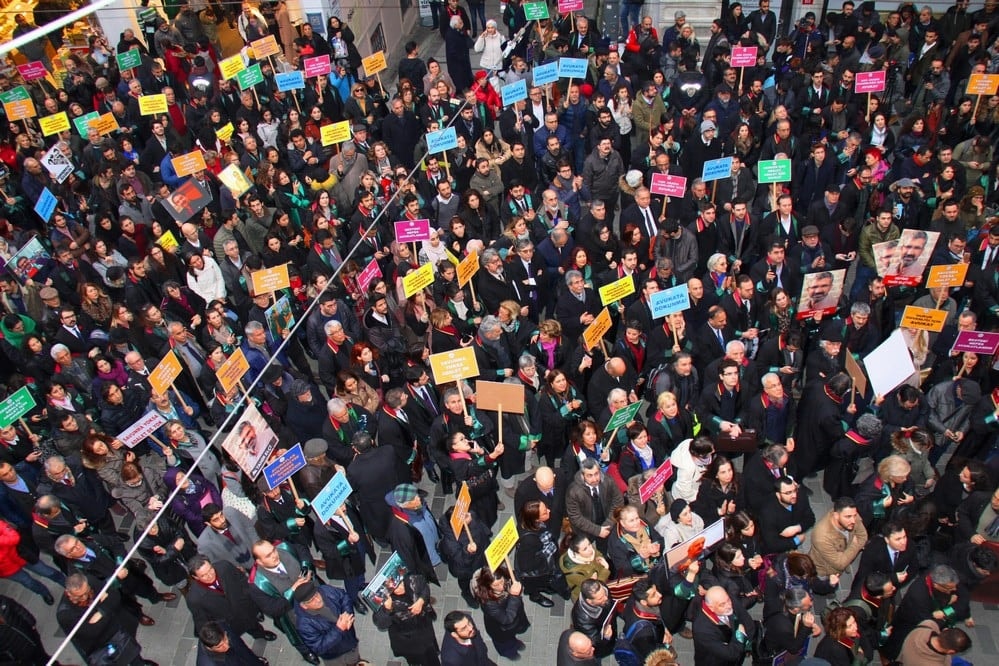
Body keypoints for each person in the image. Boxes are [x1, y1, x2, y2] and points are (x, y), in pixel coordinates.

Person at [372, 569, 440, 666]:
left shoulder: (411, 579)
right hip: (408, 638)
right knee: (417, 659)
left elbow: (424, 587)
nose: (401, 587)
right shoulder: (384, 602)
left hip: (424, 625)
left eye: (400, 583)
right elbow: (381, 624)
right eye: (395, 587)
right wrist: (387, 609)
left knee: (431, 651)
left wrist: (421, 601)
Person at [292, 581, 363, 666]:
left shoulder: (326, 590)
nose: (318, 600)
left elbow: (344, 596)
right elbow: (318, 647)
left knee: (355, 661)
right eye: (312, 600)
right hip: (335, 656)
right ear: (304, 606)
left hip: (351, 643)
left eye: (316, 595)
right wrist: (339, 629)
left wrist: (347, 614)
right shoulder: (304, 625)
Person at [471, 563, 529, 659]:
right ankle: (508, 652)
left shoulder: (506, 577)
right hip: (500, 628)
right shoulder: (488, 603)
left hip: (514, 620)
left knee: (512, 636)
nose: (501, 587)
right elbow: (507, 619)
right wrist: (514, 596)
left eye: (502, 582)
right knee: (504, 642)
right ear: (487, 585)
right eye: (496, 585)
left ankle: (514, 642)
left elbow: (516, 576)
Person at [692, 586, 757, 665]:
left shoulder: (726, 599)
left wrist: (745, 644)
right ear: (711, 608)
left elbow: (747, 621)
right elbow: (731, 655)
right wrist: (740, 635)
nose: (729, 605)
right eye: (722, 605)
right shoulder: (702, 630)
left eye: (728, 600)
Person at [808, 497, 868, 578]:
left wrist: (846, 557)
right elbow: (840, 564)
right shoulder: (821, 537)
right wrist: (854, 545)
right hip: (825, 570)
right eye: (848, 517)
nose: (853, 520)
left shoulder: (850, 513)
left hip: (842, 559)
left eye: (855, 515)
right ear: (836, 515)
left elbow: (863, 536)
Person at [196, 620, 269, 665]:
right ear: (209, 648)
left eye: (225, 639)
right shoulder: (207, 663)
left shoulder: (221, 626)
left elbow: (242, 647)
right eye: (219, 646)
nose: (227, 645)